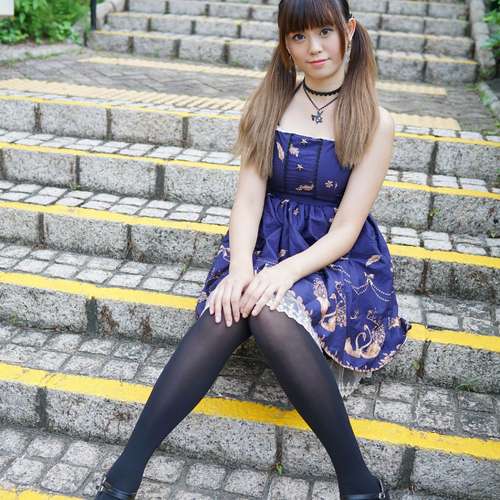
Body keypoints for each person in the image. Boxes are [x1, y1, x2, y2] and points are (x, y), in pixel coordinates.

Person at [95, 0, 412, 498]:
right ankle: (124, 476)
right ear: (285, 43)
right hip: (264, 244)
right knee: (230, 308)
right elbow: (247, 201)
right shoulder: (270, 105)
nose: (314, 48)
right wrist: (241, 267)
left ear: (349, 30)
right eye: (298, 37)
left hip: (335, 260)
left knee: (268, 310)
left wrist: (283, 275)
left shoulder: (375, 120)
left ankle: (357, 483)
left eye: (325, 32)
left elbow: (347, 229)